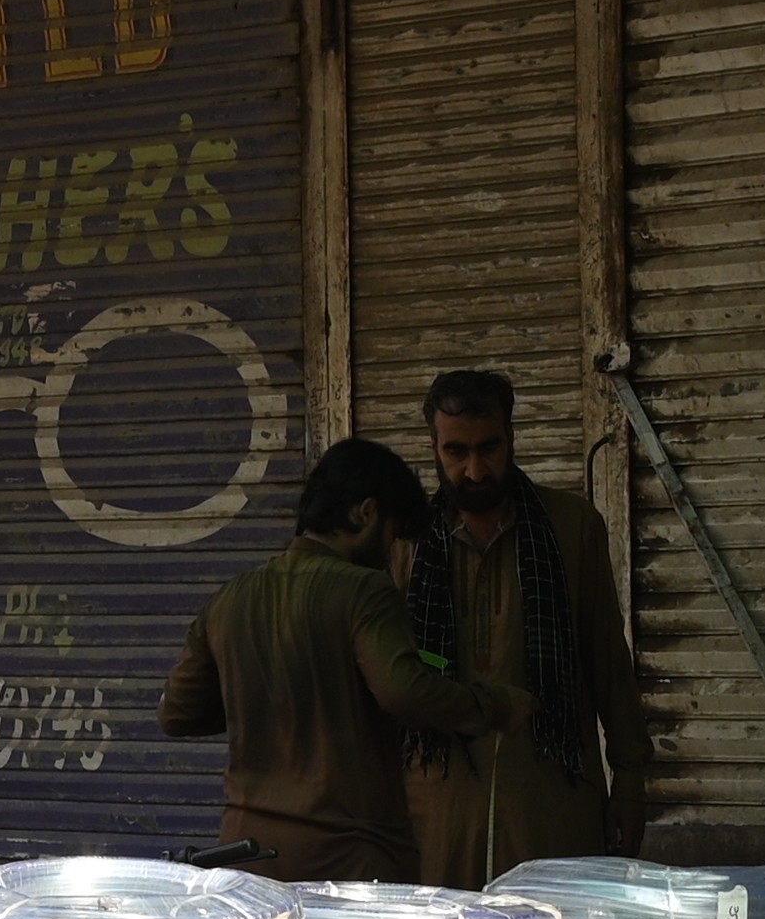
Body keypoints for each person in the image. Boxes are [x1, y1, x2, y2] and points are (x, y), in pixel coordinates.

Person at [155, 437, 520, 880]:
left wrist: (264, 696)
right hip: (349, 861)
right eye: (390, 535)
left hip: (245, 858)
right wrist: (497, 705)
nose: (390, 554)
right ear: (365, 513)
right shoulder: (365, 591)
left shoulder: (230, 598)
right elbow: (405, 693)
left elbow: (177, 714)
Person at [405, 369, 642, 887]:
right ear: (434, 448)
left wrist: (629, 783)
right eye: (455, 452)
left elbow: (608, 663)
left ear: (512, 438)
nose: (473, 470)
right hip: (437, 811)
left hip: (552, 802)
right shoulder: (406, 543)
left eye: (489, 448)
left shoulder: (573, 527)